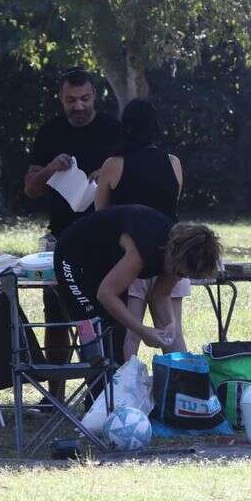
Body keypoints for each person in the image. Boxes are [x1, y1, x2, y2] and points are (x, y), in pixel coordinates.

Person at [24, 69, 120, 373]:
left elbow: (132, 180)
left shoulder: (113, 130)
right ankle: (54, 392)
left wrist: (106, 176)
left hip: (105, 238)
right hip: (62, 238)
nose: (78, 106)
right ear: (60, 99)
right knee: (57, 317)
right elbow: (30, 189)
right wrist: (51, 167)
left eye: (84, 99)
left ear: (95, 96)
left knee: (104, 313)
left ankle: (106, 383)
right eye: (71, 101)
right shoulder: (50, 133)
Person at [54, 205, 221, 359]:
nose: (178, 276)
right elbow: (106, 294)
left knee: (116, 338)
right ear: (173, 252)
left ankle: (112, 386)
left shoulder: (177, 257)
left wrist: (171, 322)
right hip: (73, 256)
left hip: (103, 263)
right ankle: (99, 387)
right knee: (97, 335)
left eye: (183, 275)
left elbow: (161, 294)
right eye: (178, 271)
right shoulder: (144, 249)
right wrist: (142, 331)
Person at [94, 99, 188, 356]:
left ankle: (128, 391)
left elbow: (99, 215)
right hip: (170, 254)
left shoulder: (113, 164)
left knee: (131, 338)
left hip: (131, 258)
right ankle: (183, 387)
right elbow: (171, 205)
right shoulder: (173, 162)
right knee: (173, 332)